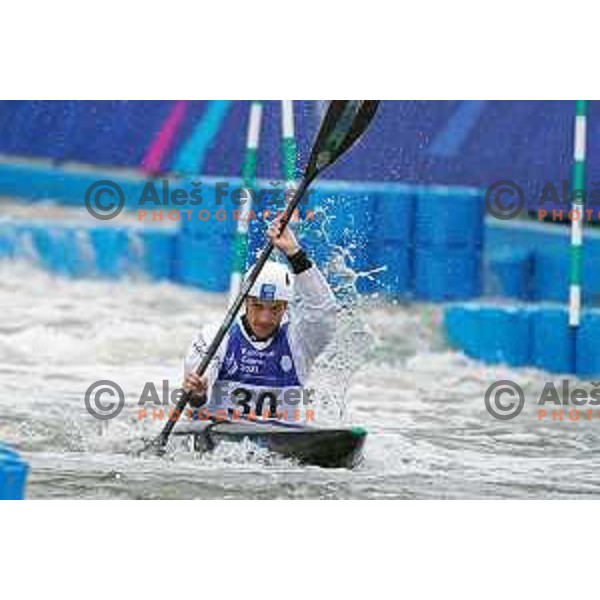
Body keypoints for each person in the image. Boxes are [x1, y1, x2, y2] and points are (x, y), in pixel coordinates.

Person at [182, 215, 336, 422]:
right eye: (257, 306)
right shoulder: (215, 337)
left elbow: (323, 312)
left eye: (275, 309)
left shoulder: (300, 340)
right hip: (220, 440)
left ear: (286, 307)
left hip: (280, 442)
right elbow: (195, 399)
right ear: (245, 302)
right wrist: (198, 394)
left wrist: (294, 254)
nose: (264, 319)